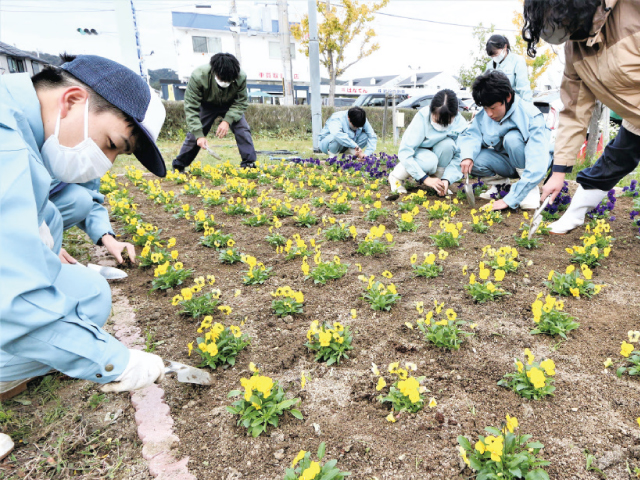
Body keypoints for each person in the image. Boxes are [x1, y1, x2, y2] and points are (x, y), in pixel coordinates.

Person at [0, 55, 168, 411]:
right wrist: (110, 360)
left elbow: (75, 202)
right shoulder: (7, 147)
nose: (106, 161)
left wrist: (46, 247)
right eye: (111, 143)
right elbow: (12, 298)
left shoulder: (29, 128)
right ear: (73, 100)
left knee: (88, 293)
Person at [522, 0, 640, 234]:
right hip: (635, 120)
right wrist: (558, 173)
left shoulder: (630, 9)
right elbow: (574, 111)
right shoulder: (575, 50)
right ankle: (574, 214)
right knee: (613, 161)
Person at [443, 70, 551, 210]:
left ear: (507, 97)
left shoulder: (530, 116)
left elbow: (537, 163)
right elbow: (471, 136)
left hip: (531, 165)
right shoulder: (484, 116)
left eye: (493, 108)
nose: (489, 114)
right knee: (470, 158)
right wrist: (468, 157)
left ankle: (529, 189)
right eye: (485, 108)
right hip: (508, 164)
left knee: (512, 139)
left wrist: (510, 200)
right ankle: (501, 186)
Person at [172, 53, 256, 172]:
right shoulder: (198, 76)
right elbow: (191, 107)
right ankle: (179, 165)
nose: (225, 82)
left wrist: (227, 121)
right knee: (194, 135)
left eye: (229, 81)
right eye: (222, 79)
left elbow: (241, 101)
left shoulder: (240, 76)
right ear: (214, 72)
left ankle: (249, 164)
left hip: (230, 105)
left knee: (243, 129)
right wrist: (199, 135)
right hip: (207, 105)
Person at [387, 89, 467, 199]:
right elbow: (406, 151)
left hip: (438, 151)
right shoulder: (422, 117)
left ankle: (439, 184)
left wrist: (447, 179)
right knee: (430, 160)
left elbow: (460, 156)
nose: (441, 125)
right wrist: (425, 178)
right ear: (430, 109)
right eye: (437, 120)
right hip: (420, 153)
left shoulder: (460, 124)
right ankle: (396, 177)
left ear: (456, 113)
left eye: (446, 122)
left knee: (448, 145)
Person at [48, 177, 135, 264]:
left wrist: (108, 239)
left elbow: (89, 202)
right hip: (36, 209)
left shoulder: (87, 166)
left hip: (45, 207)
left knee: (81, 200)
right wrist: (47, 247)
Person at [484, 34, 532, 103]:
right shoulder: (490, 65)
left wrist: (528, 107)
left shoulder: (517, 61)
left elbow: (524, 88)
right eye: (492, 56)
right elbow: (485, 89)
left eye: (496, 54)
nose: (494, 58)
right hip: (496, 107)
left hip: (514, 104)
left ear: (505, 47)